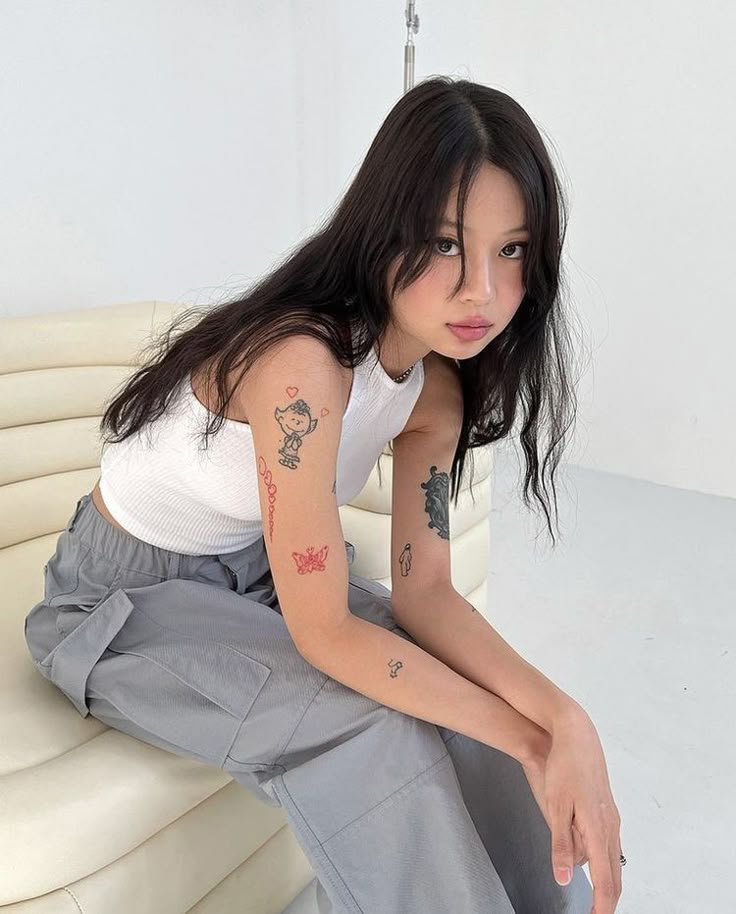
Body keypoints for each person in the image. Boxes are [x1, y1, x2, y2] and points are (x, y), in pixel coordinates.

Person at [24, 75, 623, 913]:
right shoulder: (301, 368)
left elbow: (427, 591)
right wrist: (532, 737)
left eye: (512, 250)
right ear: (383, 232)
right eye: (446, 244)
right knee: (373, 735)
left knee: (472, 713)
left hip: (262, 574)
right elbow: (325, 630)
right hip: (121, 599)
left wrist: (567, 721)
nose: (481, 290)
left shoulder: (437, 393)